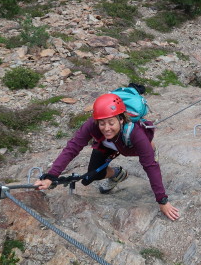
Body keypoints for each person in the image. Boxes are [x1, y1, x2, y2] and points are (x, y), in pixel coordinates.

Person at [34, 91, 180, 221]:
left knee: (147, 153)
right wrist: (50, 176)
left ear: (121, 119)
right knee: (92, 176)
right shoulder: (91, 125)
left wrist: (162, 201)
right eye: (102, 123)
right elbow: (72, 148)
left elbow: (150, 167)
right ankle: (118, 174)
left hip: (128, 146)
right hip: (107, 146)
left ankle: (151, 148)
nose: (106, 128)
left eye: (111, 122)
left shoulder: (135, 134)